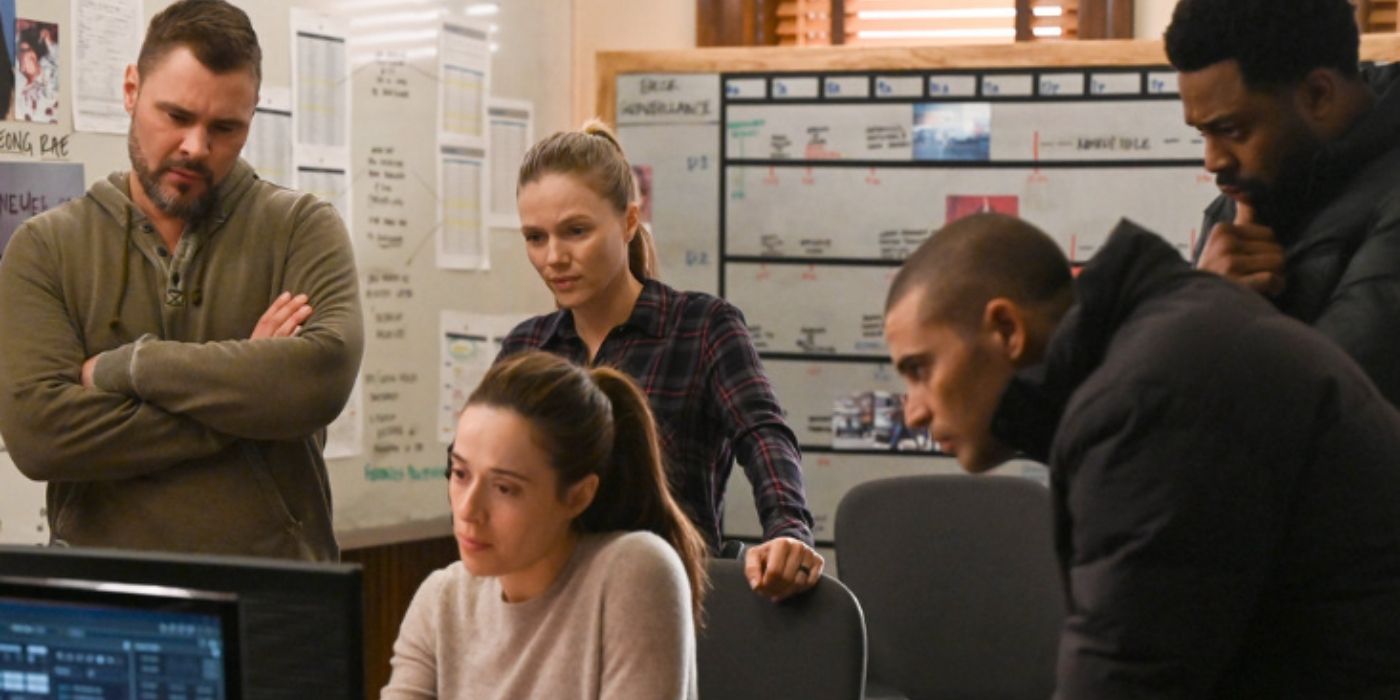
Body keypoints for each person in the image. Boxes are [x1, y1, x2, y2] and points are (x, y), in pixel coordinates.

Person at [883, 213, 1400, 697]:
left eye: (919, 370)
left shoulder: (1147, 399)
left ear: (1007, 331)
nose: (914, 414)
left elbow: (1125, 679)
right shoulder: (1161, 350)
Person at [0, 0, 362, 560]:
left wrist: (128, 367)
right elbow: (39, 435)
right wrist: (244, 404)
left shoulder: (301, 229)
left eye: (224, 127)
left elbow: (318, 378)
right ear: (130, 90)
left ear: (251, 118)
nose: (197, 147)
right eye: (176, 116)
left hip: (277, 601)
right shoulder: (46, 249)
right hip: (107, 601)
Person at [497, 122, 822, 601]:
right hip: (552, 607)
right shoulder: (527, 348)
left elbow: (763, 435)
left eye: (576, 231)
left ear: (629, 221)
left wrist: (787, 528)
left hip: (672, 607)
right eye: (535, 237)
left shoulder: (701, 326)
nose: (554, 257)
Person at [382, 351, 706, 700]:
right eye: (460, 474)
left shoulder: (635, 569)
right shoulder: (441, 599)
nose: (468, 508)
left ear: (578, 496)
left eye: (505, 488)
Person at [1166, 0, 1400, 406]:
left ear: (1318, 94)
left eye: (1231, 129)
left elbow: (1322, 409)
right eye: (1202, 133)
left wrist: (1206, 318)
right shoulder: (1248, 193)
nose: (1213, 160)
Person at [14, 22, 58, 123]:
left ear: (33, 56)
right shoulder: (21, 88)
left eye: (24, 51)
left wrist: (48, 42)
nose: (20, 56)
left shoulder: (50, 71)